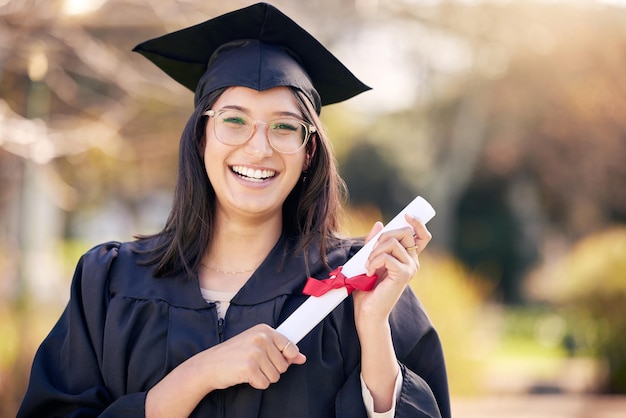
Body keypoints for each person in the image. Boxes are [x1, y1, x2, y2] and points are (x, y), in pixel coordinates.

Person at [17, 3, 450, 417]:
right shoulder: (110, 283)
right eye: (234, 120)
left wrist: (374, 327)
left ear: (309, 151)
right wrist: (198, 375)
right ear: (202, 136)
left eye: (284, 127)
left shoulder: (359, 283)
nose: (259, 147)